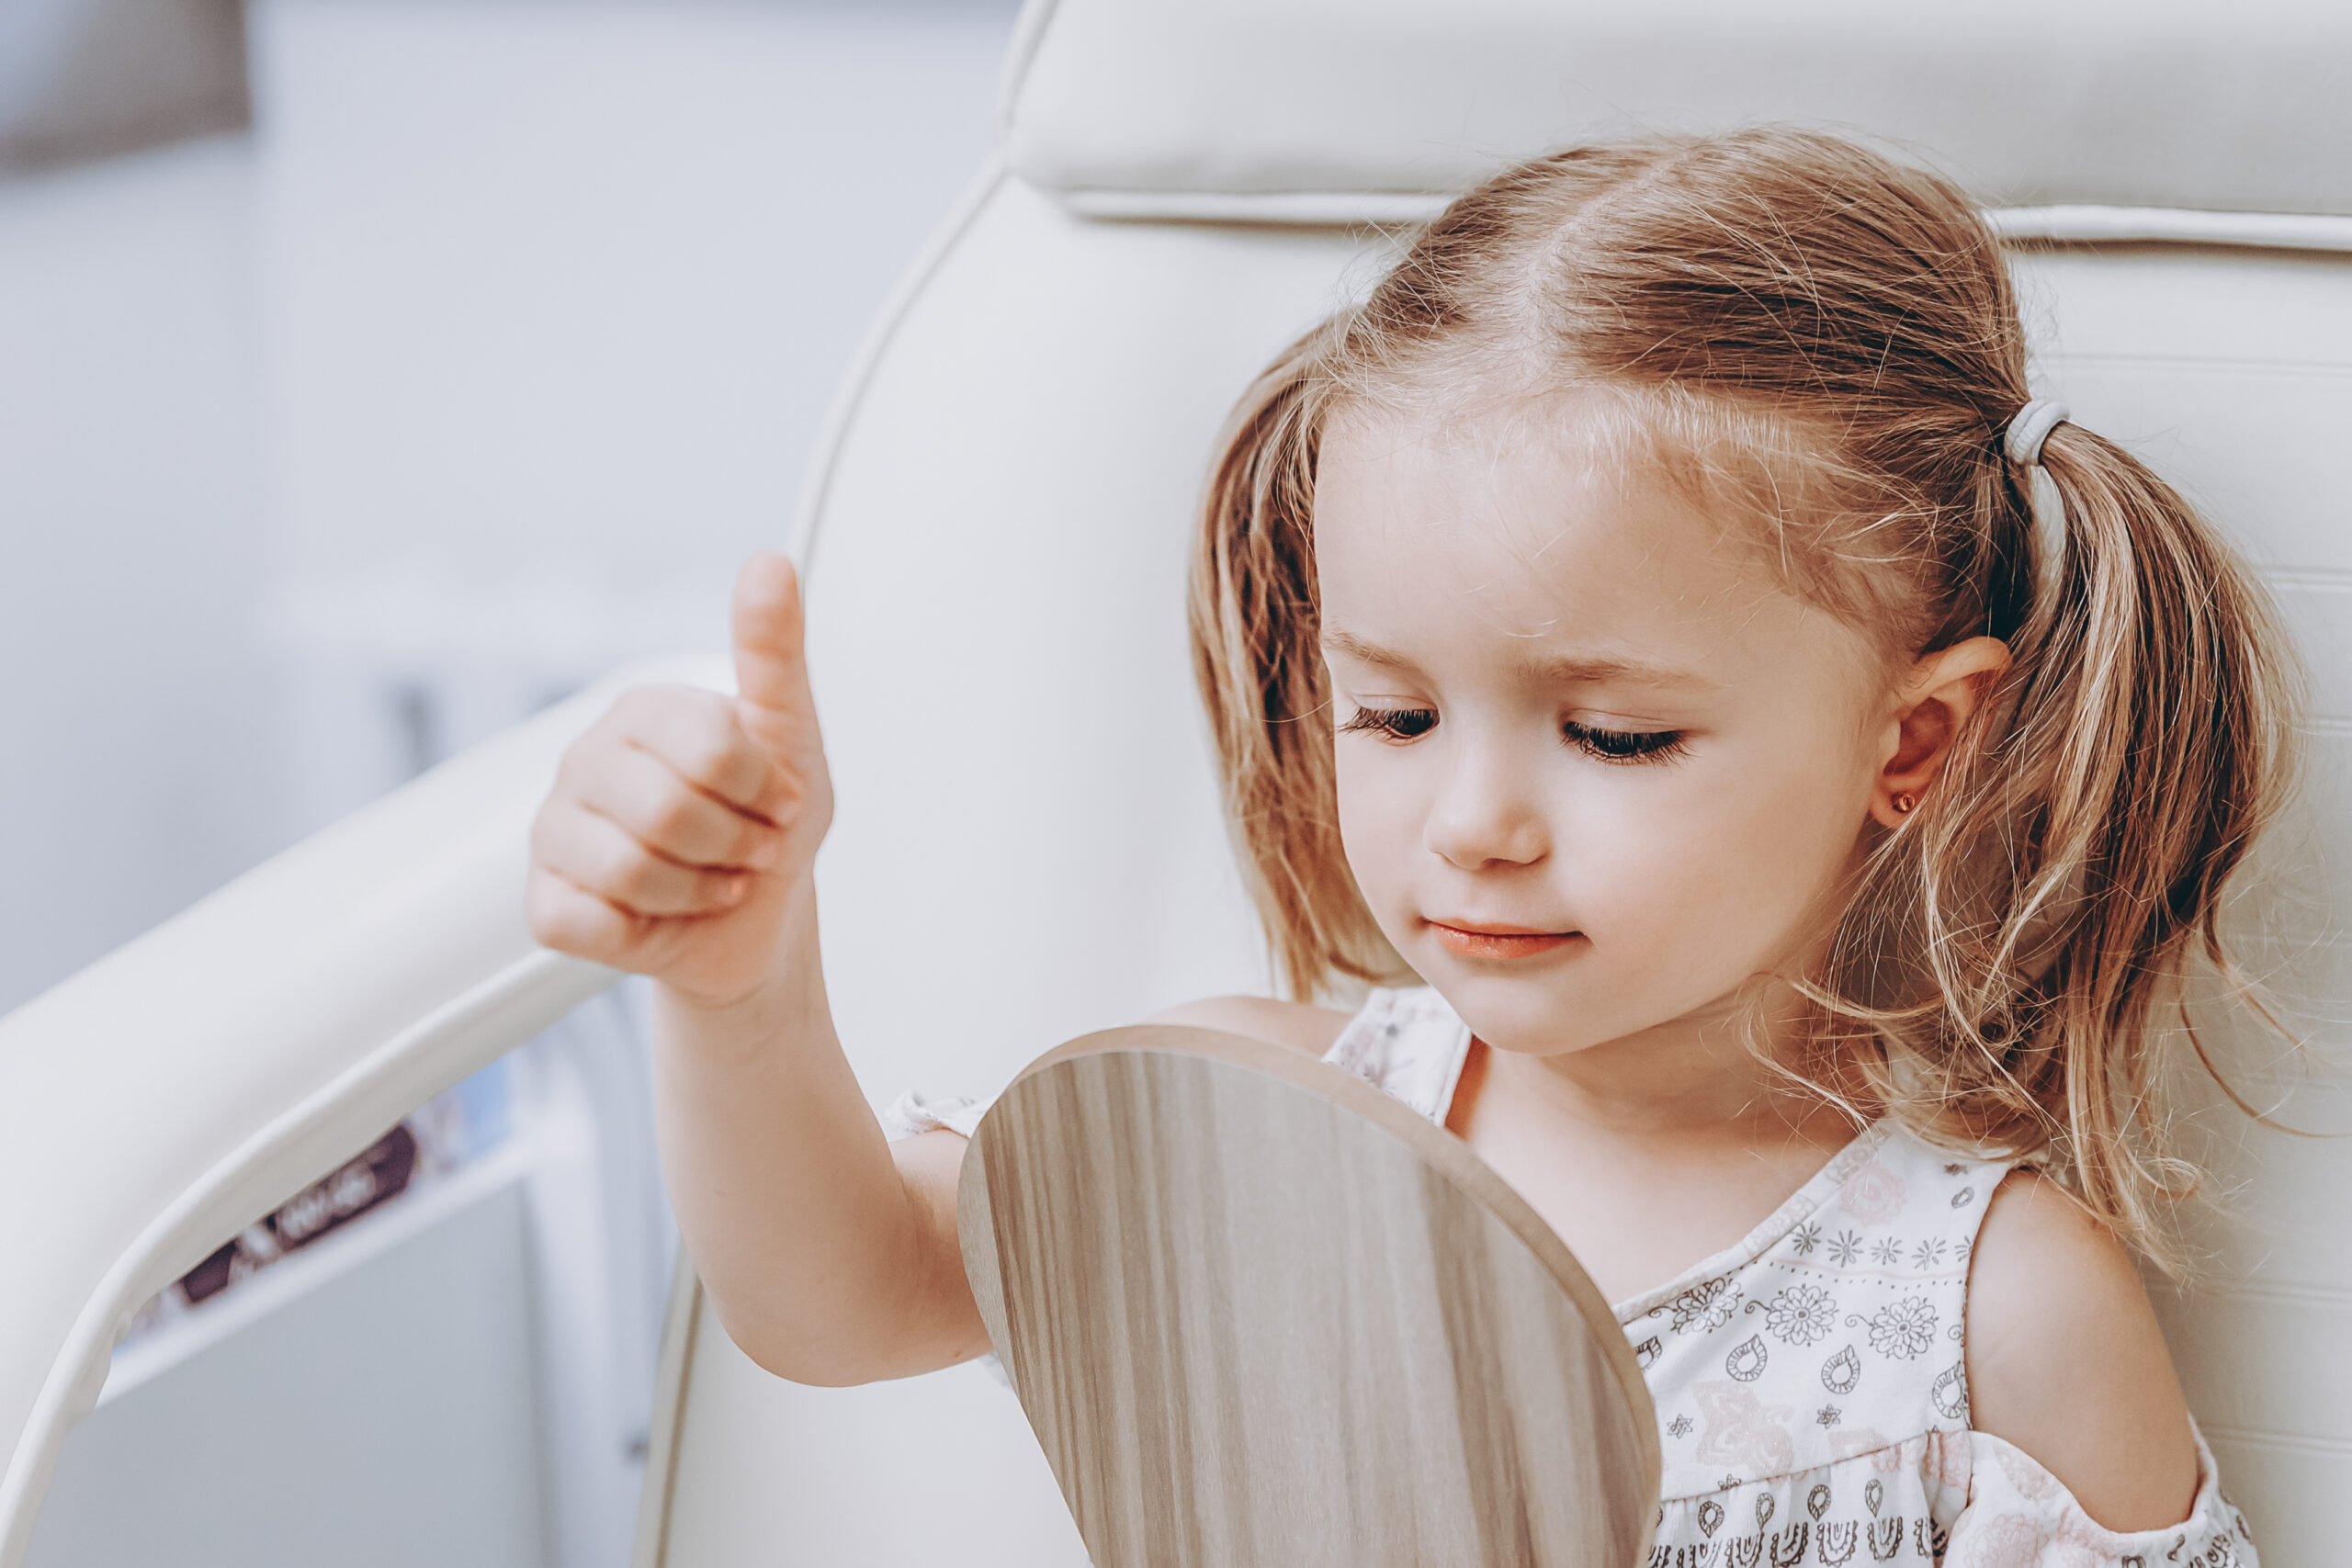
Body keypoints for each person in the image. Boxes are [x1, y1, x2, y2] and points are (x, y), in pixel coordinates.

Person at [524, 128, 2292, 1562]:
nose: (1473, 826)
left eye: (1616, 735)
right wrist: (740, 990)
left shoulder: (1992, 1308)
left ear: (1911, 743)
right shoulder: (1234, 1125)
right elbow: (840, 1302)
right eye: (1394, 715)